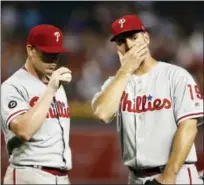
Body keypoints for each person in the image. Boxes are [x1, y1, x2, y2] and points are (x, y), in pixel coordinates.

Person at [91, 14, 204, 184]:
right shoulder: (115, 84)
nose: (129, 45)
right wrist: (125, 71)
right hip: (136, 177)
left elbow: (188, 128)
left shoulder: (176, 76)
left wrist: (168, 176)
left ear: (146, 38)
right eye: (121, 41)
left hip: (176, 174)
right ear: (117, 48)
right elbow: (102, 114)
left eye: (134, 37)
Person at [1, 24, 72, 184]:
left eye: (56, 55)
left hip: (61, 175)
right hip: (28, 173)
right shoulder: (13, 86)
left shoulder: (57, 86)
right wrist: (50, 89)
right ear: (30, 50)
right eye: (47, 54)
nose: (53, 61)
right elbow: (23, 130)